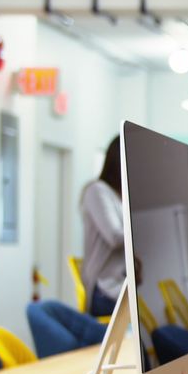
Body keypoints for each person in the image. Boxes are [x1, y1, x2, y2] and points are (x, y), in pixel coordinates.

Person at [80, 136, 125, 318]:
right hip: (105, 289)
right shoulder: (97, 191)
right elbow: (114, 236)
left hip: (122, 286)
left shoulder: (121, 196)